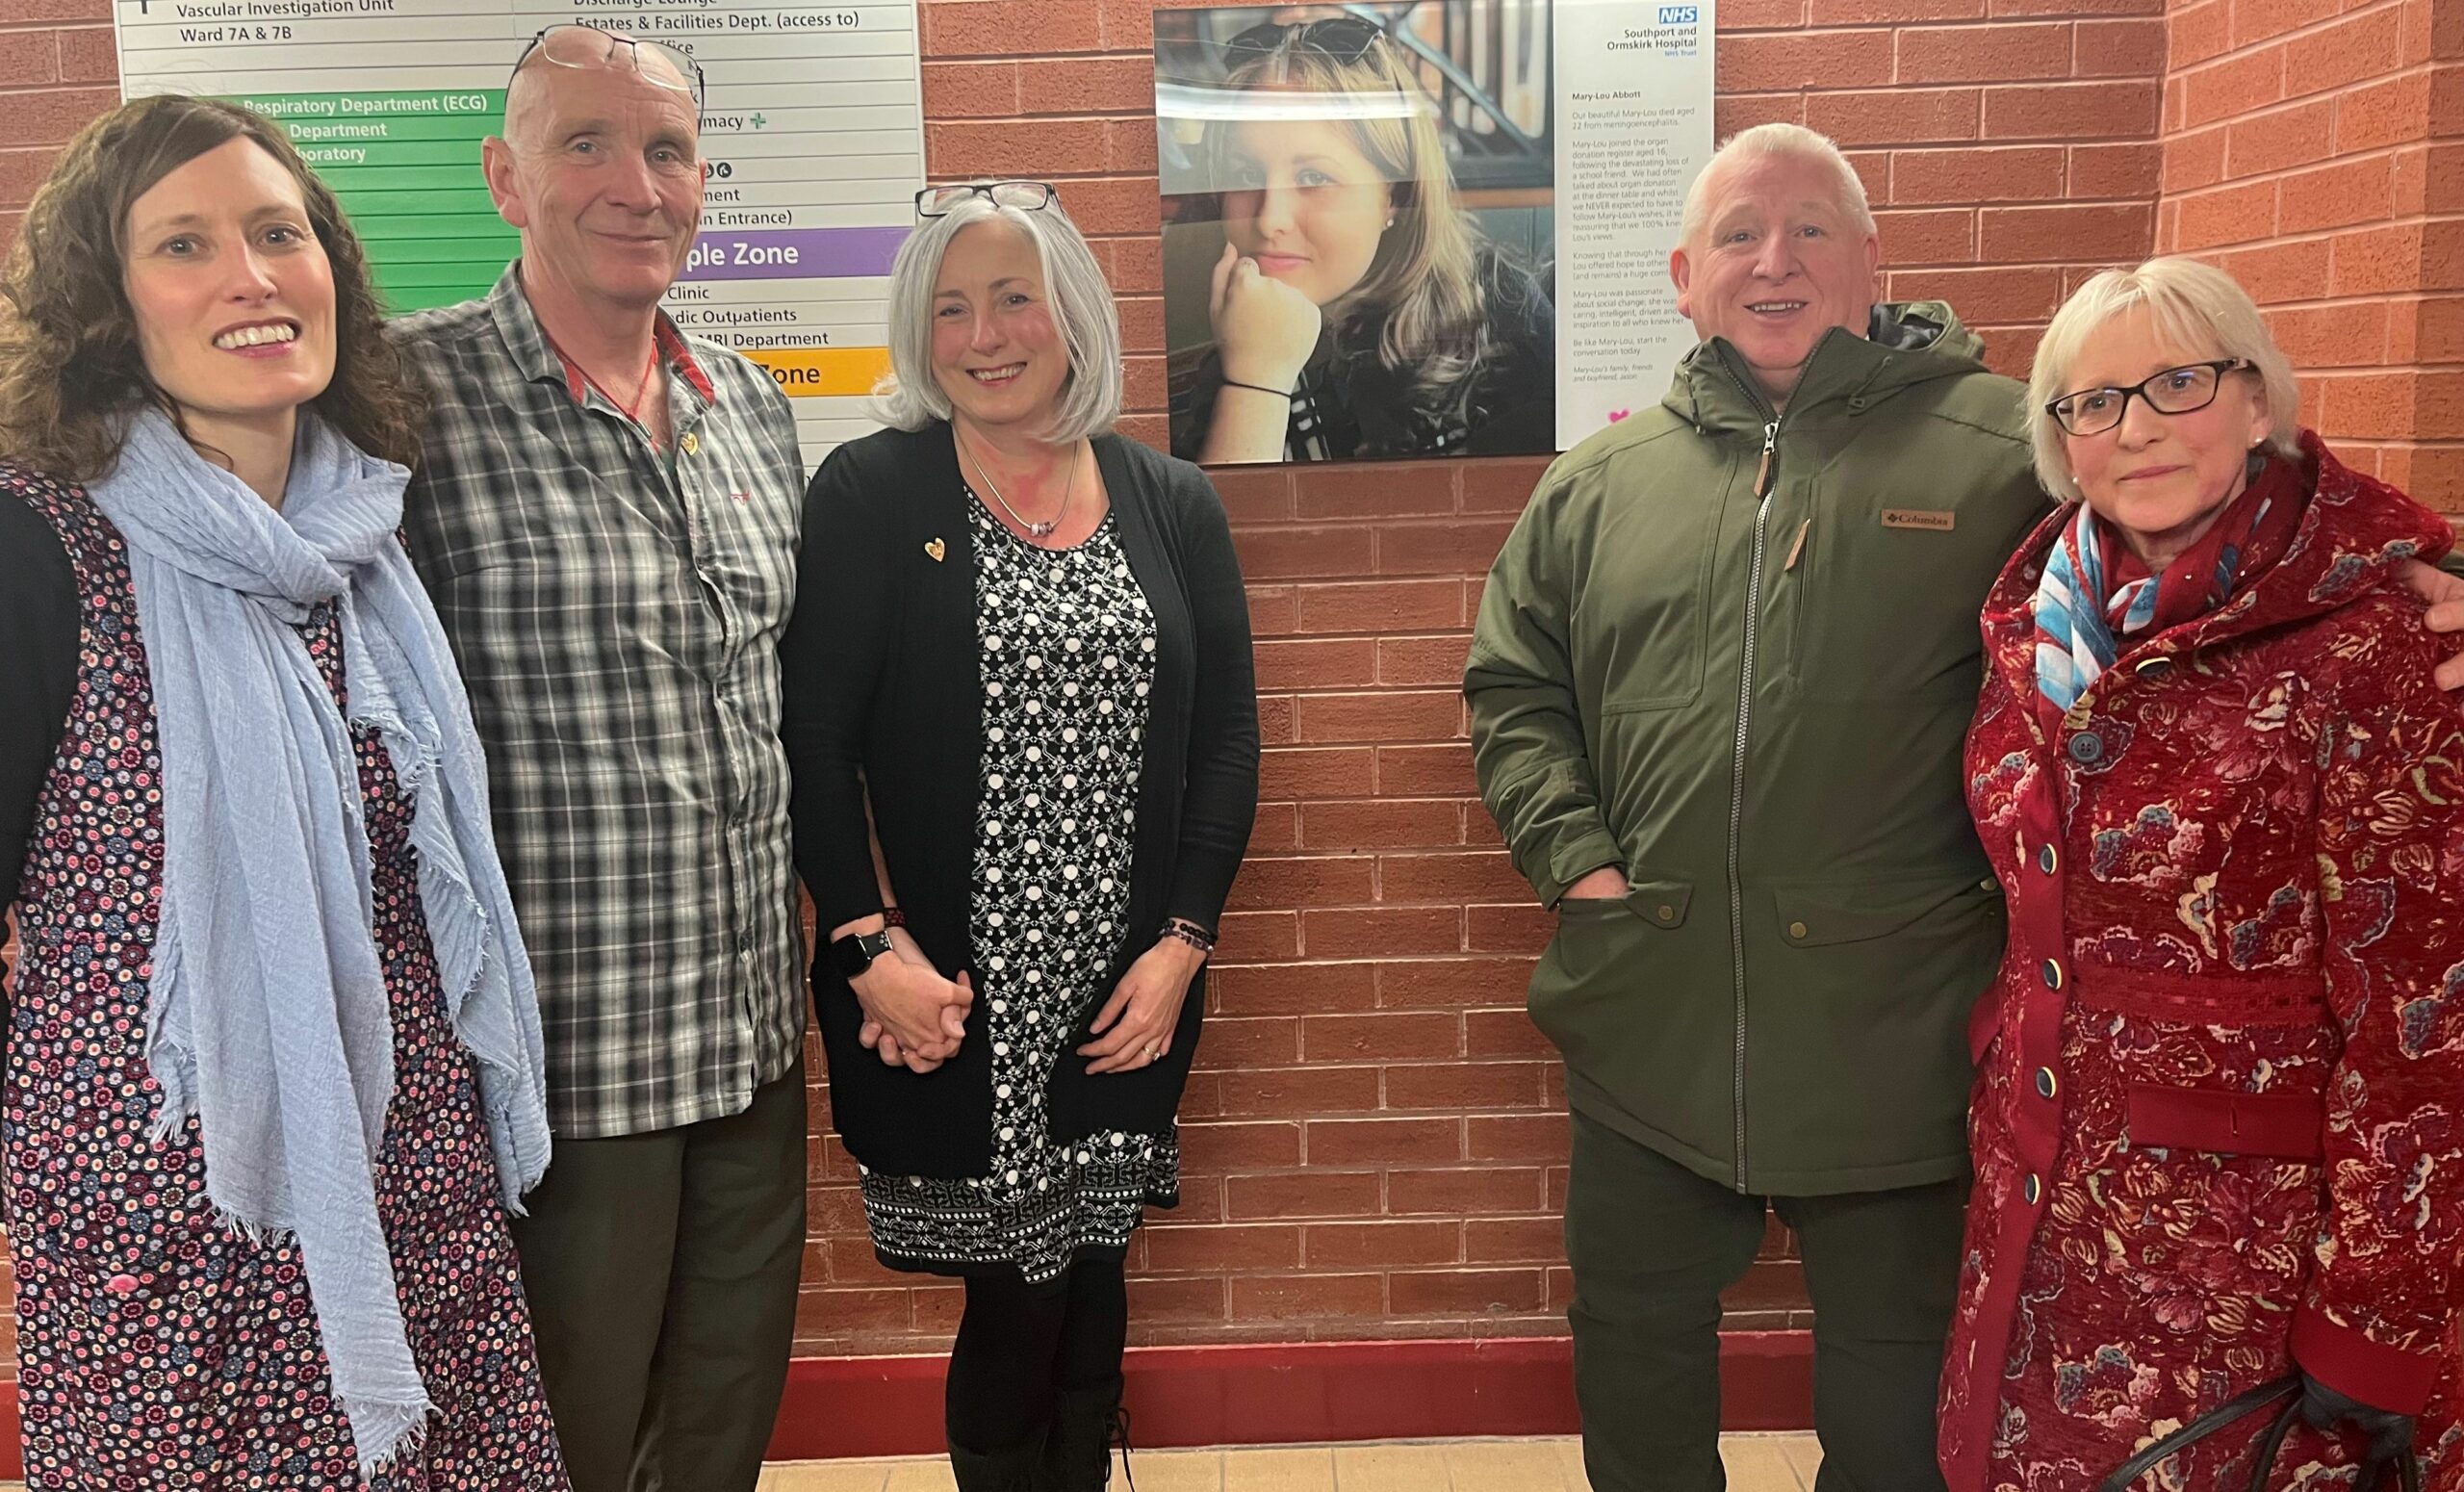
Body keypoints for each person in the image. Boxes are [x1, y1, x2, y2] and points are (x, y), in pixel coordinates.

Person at [1465, 122, 2464, 1492]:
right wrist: (1577, 862)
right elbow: (1513, 682)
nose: (1777, 261)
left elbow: (2235, 514)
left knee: (1898, 1404)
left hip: (1903, 1040)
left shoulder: (2009, 442)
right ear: (1685, 275)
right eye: (1742, 236)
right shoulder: (1595, 483)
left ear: (1872, 260)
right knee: (1633, 1357)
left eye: (1813, 227)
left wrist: (2424, 571)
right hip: (1649, 1017)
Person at [0, 95, 565, 1486]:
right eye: (184, 245)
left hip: (407, 1175)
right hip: (175, 1217)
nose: (251, 276)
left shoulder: (362, 539)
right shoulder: (37, 540)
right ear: (104, 303)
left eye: (278, 231)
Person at [1940, 257, 2464, 1490]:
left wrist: (2379, 1319)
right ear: (2061, 440)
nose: (2136, 427)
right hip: (2045, 1203)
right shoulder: (2036, 623)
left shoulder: (2377, 637)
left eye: (2179, 381)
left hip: (2255, 1253)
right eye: (2094, 401)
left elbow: (2426, 1017)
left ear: (2255, 401)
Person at [781, 179, 1259, 1492]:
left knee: (1096, 1260)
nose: (985, 333)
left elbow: (1225, 742)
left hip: (1125, 989)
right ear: (917, 331)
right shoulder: (875, 492)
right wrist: (866, 940)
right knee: (1011, 1290)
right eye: (950, 307)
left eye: (1012, 297)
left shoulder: (1170, 500)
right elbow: (813, 743)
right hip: (945, 995)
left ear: (1071, 315)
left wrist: (1181, 946)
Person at [388, 25, 807, 1492]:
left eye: (669, 149)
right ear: (507, 177)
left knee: (719, 1435)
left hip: (753, 1047)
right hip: (562, 1071)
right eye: (588, 144)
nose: (638, 184)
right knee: (561, 1444)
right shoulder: (400, 400)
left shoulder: (749, 407)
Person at [1168, 13, 1553, 464]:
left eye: (1314, 176)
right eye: (1246, 172)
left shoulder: (1500, 314)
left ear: (1395, 196)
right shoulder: (1223, 331)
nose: (1269, 218)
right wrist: (1256, 380)